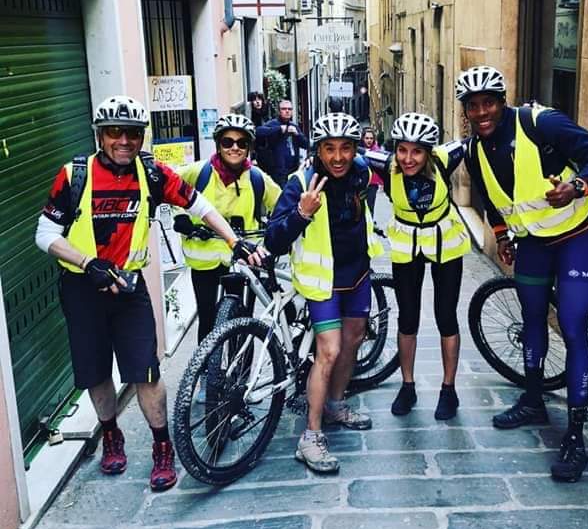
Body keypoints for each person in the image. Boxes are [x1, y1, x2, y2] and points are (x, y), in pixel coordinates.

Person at [35, 96, 250, 492]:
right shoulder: (74, 175)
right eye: (114, 132)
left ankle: (162, 447)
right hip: (83, 287)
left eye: (132, 133)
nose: (124, 140)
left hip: (129, 289)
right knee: (96, 371)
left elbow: (200, 205)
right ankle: (111, 435)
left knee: (145, 371)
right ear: (100, 136)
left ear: (142, 137)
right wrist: (88, 262)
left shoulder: (152, 174)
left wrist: (234, 241)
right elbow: (45, 234)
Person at [456, 65, 588, 482]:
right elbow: (491, 198)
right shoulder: (473, 151)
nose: (481, 112)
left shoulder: (540, 122)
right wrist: (500, 235)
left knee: (573, 326)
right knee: (531, 319)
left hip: (575, 238)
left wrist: (577, 186)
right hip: (532, 245)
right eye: (473, 106)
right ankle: (533, 400)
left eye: (488, 103)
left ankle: (576, 434)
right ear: (466, 111)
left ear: (502, 101)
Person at [264, 112, 384, 473]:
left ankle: (335, 404)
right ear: (317, 150)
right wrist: (301, 213)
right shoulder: (301, 182)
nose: (338, 157)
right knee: (328, 351)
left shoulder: (361, 172)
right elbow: (274, 239)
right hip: (323, 281)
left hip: (357, 274)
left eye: (345, 148)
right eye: (329, 148)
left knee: (353, 341)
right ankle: (310, 436)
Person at [365, 113, 470, 419]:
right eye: (402, 150)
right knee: (408, 318)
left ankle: (449, 390)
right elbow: (348, 158)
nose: (408, 159)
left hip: (444, 242)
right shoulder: (385, 165)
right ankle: (407, 386)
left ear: (428, 152)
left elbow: (473, 142)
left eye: (417, 151)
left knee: (446, 316)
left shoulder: (444, 159)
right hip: (407, 245)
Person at [176, 114, 280, 355]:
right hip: (205, 261)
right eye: (227, 142)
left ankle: (240, 371)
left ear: (249, 147)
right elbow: (168, 187)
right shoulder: (199, 172)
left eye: (242, 143)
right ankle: (204, 370)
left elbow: (282, 203)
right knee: (207, 319)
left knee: (243, 322)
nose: (235, 147)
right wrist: (181, 217)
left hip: (244, 260)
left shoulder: (257, 178)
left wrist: (277, 228)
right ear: (218, 145)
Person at [256, 99, 309, 186]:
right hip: (278, 172)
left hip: (293, 170)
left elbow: (306, 144)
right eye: (284, 109)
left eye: (289, 109)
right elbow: (258, 131)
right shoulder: (273, 124)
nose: (287, 111)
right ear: (279, 111)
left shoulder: (294, 126)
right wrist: (279, 129)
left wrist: (297, 134)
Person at [358, 127, 383, 218]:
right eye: (367, 138)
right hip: (360, 182)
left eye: (371, 138)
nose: (369, 140)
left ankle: (370, 222)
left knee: (370, 206)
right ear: (363, 138)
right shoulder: (358, 150)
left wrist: (382, 183)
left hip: (372, 183)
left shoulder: (377, 151)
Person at [247, 91, 273, 173]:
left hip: (269, 150)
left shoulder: (266, 114)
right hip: (258, 151)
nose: (258, 102)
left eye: (259, 99)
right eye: (255, 100)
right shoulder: (251, 117)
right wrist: (253, 157)